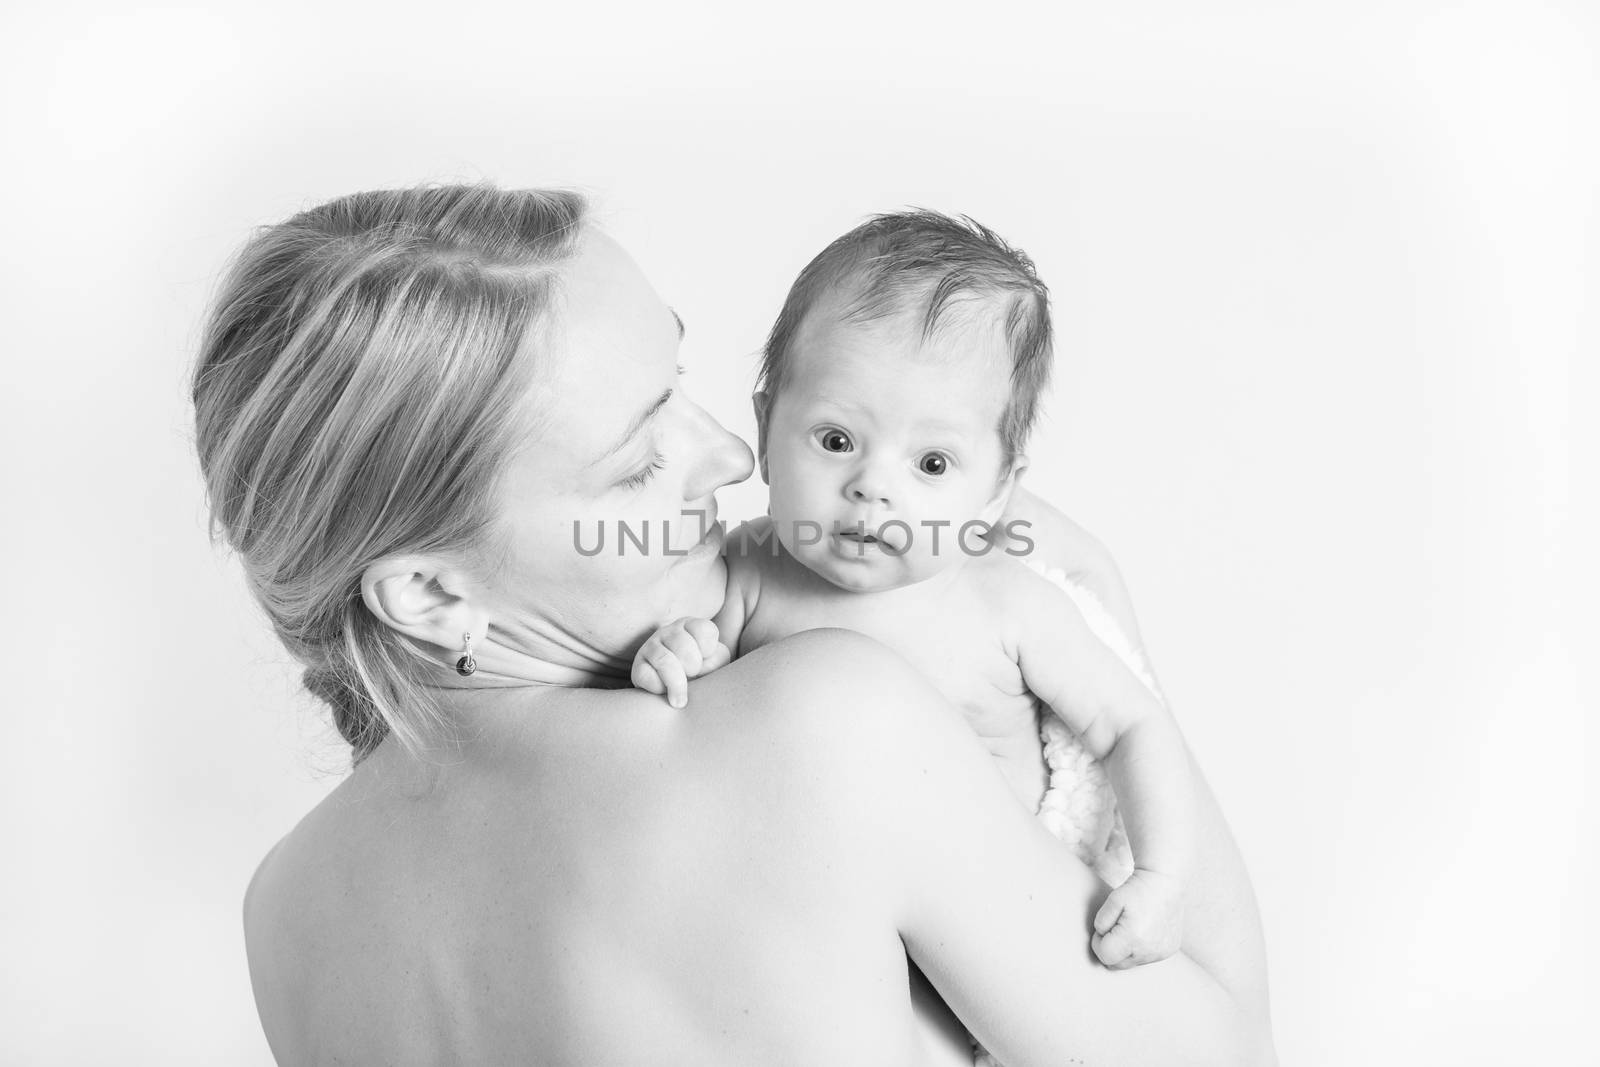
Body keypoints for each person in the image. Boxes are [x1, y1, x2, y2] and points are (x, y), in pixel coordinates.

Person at [195, 184, 1275, 1066]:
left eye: (678, 384)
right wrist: (1091, 599)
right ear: (431, 594)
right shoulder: (822, 727)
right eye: (637, 461)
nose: (726, 455)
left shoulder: (285, 909)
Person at [630, 211, 1192, 979]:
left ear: (997, 490)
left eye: (931, 462)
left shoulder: (1007, 606)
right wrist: (677, 650)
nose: (872, 487)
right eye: (835, 440)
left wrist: (1160, 876)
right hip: (820, 941)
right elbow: (685, 724)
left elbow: (1133, 725)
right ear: (765, 427)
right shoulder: (745, 576)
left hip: (1000, 944)